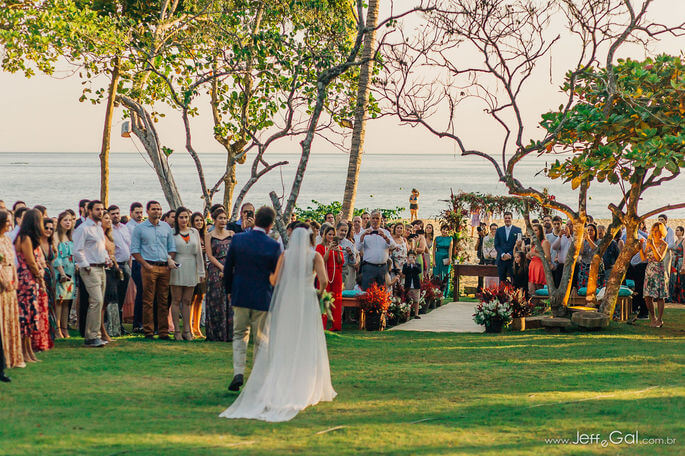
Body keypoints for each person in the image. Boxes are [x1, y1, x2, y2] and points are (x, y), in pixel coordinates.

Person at [219, 225, 335, 421]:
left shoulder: (285, 255)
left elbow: (274, 280)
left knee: (286, 338)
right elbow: (323, 280)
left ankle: (283, 379)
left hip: (289, 299)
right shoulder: (314, 256)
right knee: (307, 338)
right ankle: (308, 383)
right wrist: (320, 293)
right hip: (307, 299)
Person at [222, 206, 282, 393]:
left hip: (240, 294)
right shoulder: (273, 246)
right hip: (262, 297)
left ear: (255, 220)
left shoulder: (238, 240)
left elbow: (228, 268)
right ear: (270, 225)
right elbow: (276, 276)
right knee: (261, 338)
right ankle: (256, 378)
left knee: (240, 334)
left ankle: (238, 372)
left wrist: (229, 290)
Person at [130, 200, 177, 340]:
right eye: (154, 209)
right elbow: (134, 250)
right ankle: (148, 331)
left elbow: (172, 248)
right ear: (148, 211)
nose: (157, 211)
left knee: (163, 300)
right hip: (148, 267)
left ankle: (163, 331)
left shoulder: (166, 227)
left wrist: (169, 260)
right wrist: (145, 265)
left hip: (164, 267)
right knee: (148, 300)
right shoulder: (140, 228)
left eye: (159, 209)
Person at [72, 200, 110, 347]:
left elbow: (101, 247)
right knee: (96, 300)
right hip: (90, 268)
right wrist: (85, 265)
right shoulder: (83, 228)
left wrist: (107, 258)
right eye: (97, 209)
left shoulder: (99, 228)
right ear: (89, 211)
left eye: (102, 209)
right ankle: (92, 335)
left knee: (99, 302)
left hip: (101, 267)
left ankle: (95, 335)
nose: (100, 212)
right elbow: (77, 249)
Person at [15, 209, 51, 358]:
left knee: (32, 315)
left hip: (31, 278)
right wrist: (39, 276)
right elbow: (30, 261)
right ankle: (24, 351)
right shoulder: (24, 238)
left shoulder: (29, 238)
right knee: (26, 314)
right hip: (26, 278)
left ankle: (29, 349)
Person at [169, 207, 205, 341]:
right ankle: (176, 331)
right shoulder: (172, 233)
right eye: (181, 217)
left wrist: (201, 271)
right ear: (177, 219)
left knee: (188, 300)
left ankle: (187, 330)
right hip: (177, 266)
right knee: (176, 299)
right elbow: (168, 250)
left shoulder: (194, 232)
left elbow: (199, 254)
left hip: (192, 266)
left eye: (186, 217)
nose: (184, 220)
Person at [0, 210, 25, 368]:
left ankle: (12, 356)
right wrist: (3, 281)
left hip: (11, 279)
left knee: (11, 318)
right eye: (8, 221)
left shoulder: (7, 240)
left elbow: (14, 261)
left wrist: (15, 279)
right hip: (2, 283)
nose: (10, 224)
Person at [205, 207, 234, 342]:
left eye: (224, 218)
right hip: (215, 269)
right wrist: (222, 267)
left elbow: (235, 253)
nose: (223, 221)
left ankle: (229, 333)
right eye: (220, 218)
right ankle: (216, 333)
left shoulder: (232, 234)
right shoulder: (209, 235)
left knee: (229, 300)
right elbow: (210, 256)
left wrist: (229, 268)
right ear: (214, 220)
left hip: (230, 268)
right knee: (216, 300)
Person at [356, 211, 396, 290]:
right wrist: (363, 236)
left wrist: (385, 237)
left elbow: (393, 246)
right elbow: (357, 248)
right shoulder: (363, 233)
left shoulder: (386, 233)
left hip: (383, 268)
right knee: (367, 292)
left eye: (377, 218)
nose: (375, 220)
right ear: (370, 219)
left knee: (382, 293)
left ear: (381, 220)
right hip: (368, 267)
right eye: (373, 218)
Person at [640, 223, 669, 327]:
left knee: (660, 296)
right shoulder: (649, 243)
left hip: (659, 271)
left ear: (661, 232)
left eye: (657, 230)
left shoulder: (664, 244)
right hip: (649, 271)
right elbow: (643, 258)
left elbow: (659, 258)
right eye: (653, 230)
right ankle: (653, 318)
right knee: (647, 296)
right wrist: (640, 247)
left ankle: (660, 319)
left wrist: (652, 245)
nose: (655, 233)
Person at [316, 225, 343, 331]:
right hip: (325, 275)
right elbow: (322, 261)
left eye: (333, 234)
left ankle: (336, 326)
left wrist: (338, 252)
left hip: (336, 276)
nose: (331, 237)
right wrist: (329, 250)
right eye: (329, 234)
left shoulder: (338, 247)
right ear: (325, 235)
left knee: (337, 300)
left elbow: (341, 262)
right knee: (324, 300)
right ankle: (322, 326)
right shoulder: (320, 247)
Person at [109, 205, 131, 335]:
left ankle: (120, 325)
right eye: (113, 214)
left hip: (126, 264)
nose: (116, 215)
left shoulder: (124, 228)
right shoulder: (108, 230)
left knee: (122, 296)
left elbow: (128, 246)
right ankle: (113, 325)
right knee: (114, 296)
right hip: (114, 267)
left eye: (117, 213)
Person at [53, 212, 75, 338]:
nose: (68, 222)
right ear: (60, 222)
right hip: (61, 271)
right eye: (65, 220)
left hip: (71, 271)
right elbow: (56, 257)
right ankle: (57, 328)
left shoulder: (70, 237)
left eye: (70, 220)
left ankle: (65, 327)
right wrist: (61, 273)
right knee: (59, 300)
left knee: (67, 300)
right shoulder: (56, 236)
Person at [101, 211, 120, 340]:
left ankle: (108, 328)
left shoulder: (109, 235)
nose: (109, 220)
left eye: (109, 218)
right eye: (106, 218)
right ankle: (101, 329)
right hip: (103, 270)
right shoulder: (99, 236)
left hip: (112, 269)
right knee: (101, 302)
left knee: (108, 301)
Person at [126, 202, 144, 332]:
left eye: (141, 212)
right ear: (131, 213)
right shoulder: (128, 227)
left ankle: (142, 321)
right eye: (137, 212)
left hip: (144, 261)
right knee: (141, 291)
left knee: (144, 292)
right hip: (135, 261)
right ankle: (137, 323)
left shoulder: (143, 226)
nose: (139, 215)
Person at [190, 212, 207, 338]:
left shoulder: (205, 236)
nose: (199, 223)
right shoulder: (190, 235)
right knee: (192, 298)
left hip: (204, 267)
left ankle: (197, 326)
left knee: (201, 297)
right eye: (197, 221)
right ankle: (190, 327)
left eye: (201, 220)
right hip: (192, 267)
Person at [494, 212, 522, 283]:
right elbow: (496, 245)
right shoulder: (499, 230)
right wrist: (503, 254)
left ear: (512, 219)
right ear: (503, 219)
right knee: (502, 281)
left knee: (514, 280)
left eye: (509, 218)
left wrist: (510, 254)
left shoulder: (518, 230)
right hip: (501, 259)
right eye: (506, 218)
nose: (507, 219)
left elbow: (519, 245)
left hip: (513, 259)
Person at [527, 224, 550, 295]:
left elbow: (548, 257)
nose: (534, 232)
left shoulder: (544, 242)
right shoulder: (534, 242)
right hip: (532, 267)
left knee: (539, 290)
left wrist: (535, 254)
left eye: (536, 230)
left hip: (540, 267)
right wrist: (529, 255)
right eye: (533, 231)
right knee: (531, 290)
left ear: (540, 231)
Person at [551, 221, 573, 287]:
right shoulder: (562, 236)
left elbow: (574, 247)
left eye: (571, 225)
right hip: (561, 265)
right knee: (558, 285)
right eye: (567, 225)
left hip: (572, 266)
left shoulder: (577, 236)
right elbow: (554, 247)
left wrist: (569, 236)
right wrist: (559, 237)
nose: (568, 227)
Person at [577, 223, 599, 289]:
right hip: (584, 266)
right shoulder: (584, 242)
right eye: (588, 230)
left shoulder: (599, 241)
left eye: (591, 230)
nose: (589, 232)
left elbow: (596, 250)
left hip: (594, 267)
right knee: (582, 285)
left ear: (595, 231)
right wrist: (583, 240)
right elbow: (581, 252)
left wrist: (589, 239)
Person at [433, 224, 454, 294]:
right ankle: (436, 291)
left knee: (446, 274)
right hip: (438, 256)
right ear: (441, 230)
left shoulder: (450, 238)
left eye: (447, 230)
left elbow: (450, 249)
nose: (445, 231)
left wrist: (450, 258)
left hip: (446, 256)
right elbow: (433, 250)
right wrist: (433, 260)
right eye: (444, 229)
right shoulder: (437, 238)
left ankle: (445, 292)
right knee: (437, 274)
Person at [337, 221, 358, 291]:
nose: (343, 233)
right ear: (337, 230)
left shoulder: (349, 244)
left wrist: (350, 254)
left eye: (345, 231)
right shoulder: (331, 240)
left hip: (343, 270)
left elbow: (353, 261)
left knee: (340, 291)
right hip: (331, 269)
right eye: (342, 230)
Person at [402, 250, 422, 319]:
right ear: (407, 257)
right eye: (410, 257)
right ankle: (408, 313)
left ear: (415, 257)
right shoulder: (405, 265)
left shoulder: (417, 264)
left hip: (416, 285)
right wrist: (408, 264)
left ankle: (416, 314)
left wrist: (414, 264)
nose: (411, 259)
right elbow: (404, 272)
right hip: (408, 285)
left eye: (413, 257)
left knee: (416, 300)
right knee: (408, 300)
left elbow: (419, 271)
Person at [668, 226, 684, 303]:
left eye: (677, 230)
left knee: (680, 279)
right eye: (676, 230)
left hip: (680, 261)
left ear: (682, 232)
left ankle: (681, 298)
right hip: (674, 262)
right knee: (673, 279)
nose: (676, 232)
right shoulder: (676, 241)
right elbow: (673, 251)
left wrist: (684, 265)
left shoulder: (683, 241)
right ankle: (673, 297)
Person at [481, 223, 499, 289]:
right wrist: (488, 255)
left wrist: (495, 255)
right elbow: (484, 249)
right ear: (490, 229)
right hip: (488, 260)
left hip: (497, 261)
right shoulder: (486, 238)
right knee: (488, 278)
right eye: (492, 229)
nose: (494, 230)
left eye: (495, 229)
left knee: (496, 278)